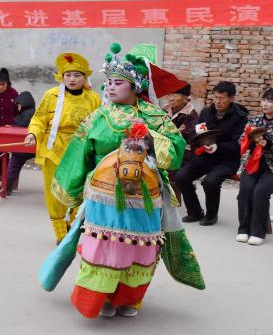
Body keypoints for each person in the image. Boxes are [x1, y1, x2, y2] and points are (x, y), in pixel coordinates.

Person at [51, 43, 188, 319]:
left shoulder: (155, 116)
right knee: (104, 245)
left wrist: (150, 138)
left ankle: (129, 299)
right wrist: (71, 190)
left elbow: (176, 150)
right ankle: (100, 297)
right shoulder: (99, 116)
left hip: (144, 197)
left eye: (118, 83)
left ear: (135, 87)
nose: (110, 88)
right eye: (109, 83)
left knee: (140, 249)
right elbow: (79, 152)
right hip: (103, 196)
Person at [25, 53, 102, 243]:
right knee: (54, 193)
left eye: (77, 75)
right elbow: (39, 119)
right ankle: (61, 234)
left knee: (79, 190)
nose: (72, 79)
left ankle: (73, 224)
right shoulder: (51, 96)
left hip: (80, 150)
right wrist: (33, 134)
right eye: (68, 75)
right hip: (53, 150)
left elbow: (98, 125)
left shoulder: (93, 98)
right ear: (61, 76)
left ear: (85, 77)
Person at [174, 81, 249, 225]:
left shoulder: (240, 117)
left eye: (222, 98)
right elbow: (199, 131)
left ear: (231, 98)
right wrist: (200, 143)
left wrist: (217, 147)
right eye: (216, 97)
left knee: (210, 182)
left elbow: (237, 144)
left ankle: (211, 216)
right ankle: (195, 212)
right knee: (181, 176)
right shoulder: (206, 112)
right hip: (205, 156)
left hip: (227, 160)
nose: (218, 102)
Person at [237, 88, 273, 246]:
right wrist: (249, 142)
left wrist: (268, 144)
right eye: (263, 100)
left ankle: (258, 232)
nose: (264, 104)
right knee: (245, 191)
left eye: (270, 101)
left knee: (260, 191)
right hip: (253, 164)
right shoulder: (255, 120)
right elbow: (241, 139)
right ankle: (243, 229)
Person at [164, 84, 198, 202]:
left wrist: (168, 130)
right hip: (164, 147)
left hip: (183, 152)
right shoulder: (164, 110)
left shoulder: (192, 115)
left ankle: (174, 201)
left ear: (185, 97)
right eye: (169, 94)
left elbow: (187, 136)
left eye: (175, 95)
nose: (171, 98)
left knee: (173, 169)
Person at [4, 90, 36, 195]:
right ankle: (7, 186)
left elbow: (23, 126)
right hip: (28, 144)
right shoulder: (30, 112)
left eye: (18, 105)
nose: (17, 107)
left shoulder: (28, 114)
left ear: (23, 104)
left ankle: (6, 186)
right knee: (15, 164)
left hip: (26, 144)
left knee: (14, 162)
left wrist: (12, 127)